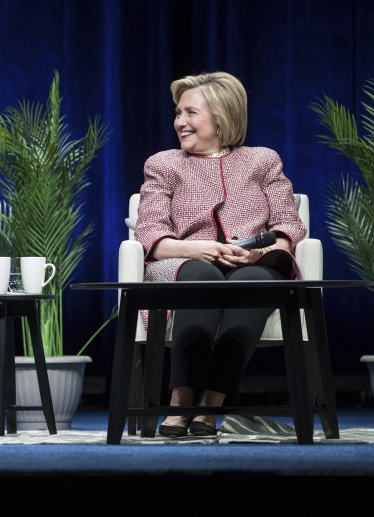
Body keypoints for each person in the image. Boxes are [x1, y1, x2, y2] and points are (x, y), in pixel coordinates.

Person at [134, 71, 306, 437]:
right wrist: (196, 249)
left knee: (252, 281)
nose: (180, 122)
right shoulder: (164, 164)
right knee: (202, 274)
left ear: (222, 116)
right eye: (178, 113)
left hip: (255, 262)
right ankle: (181, 400)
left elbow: (288, 225)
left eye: (191, 113)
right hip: (184, 262)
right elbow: (150, 232)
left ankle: (213, 401)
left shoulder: (262, 161)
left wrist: (258, 254)